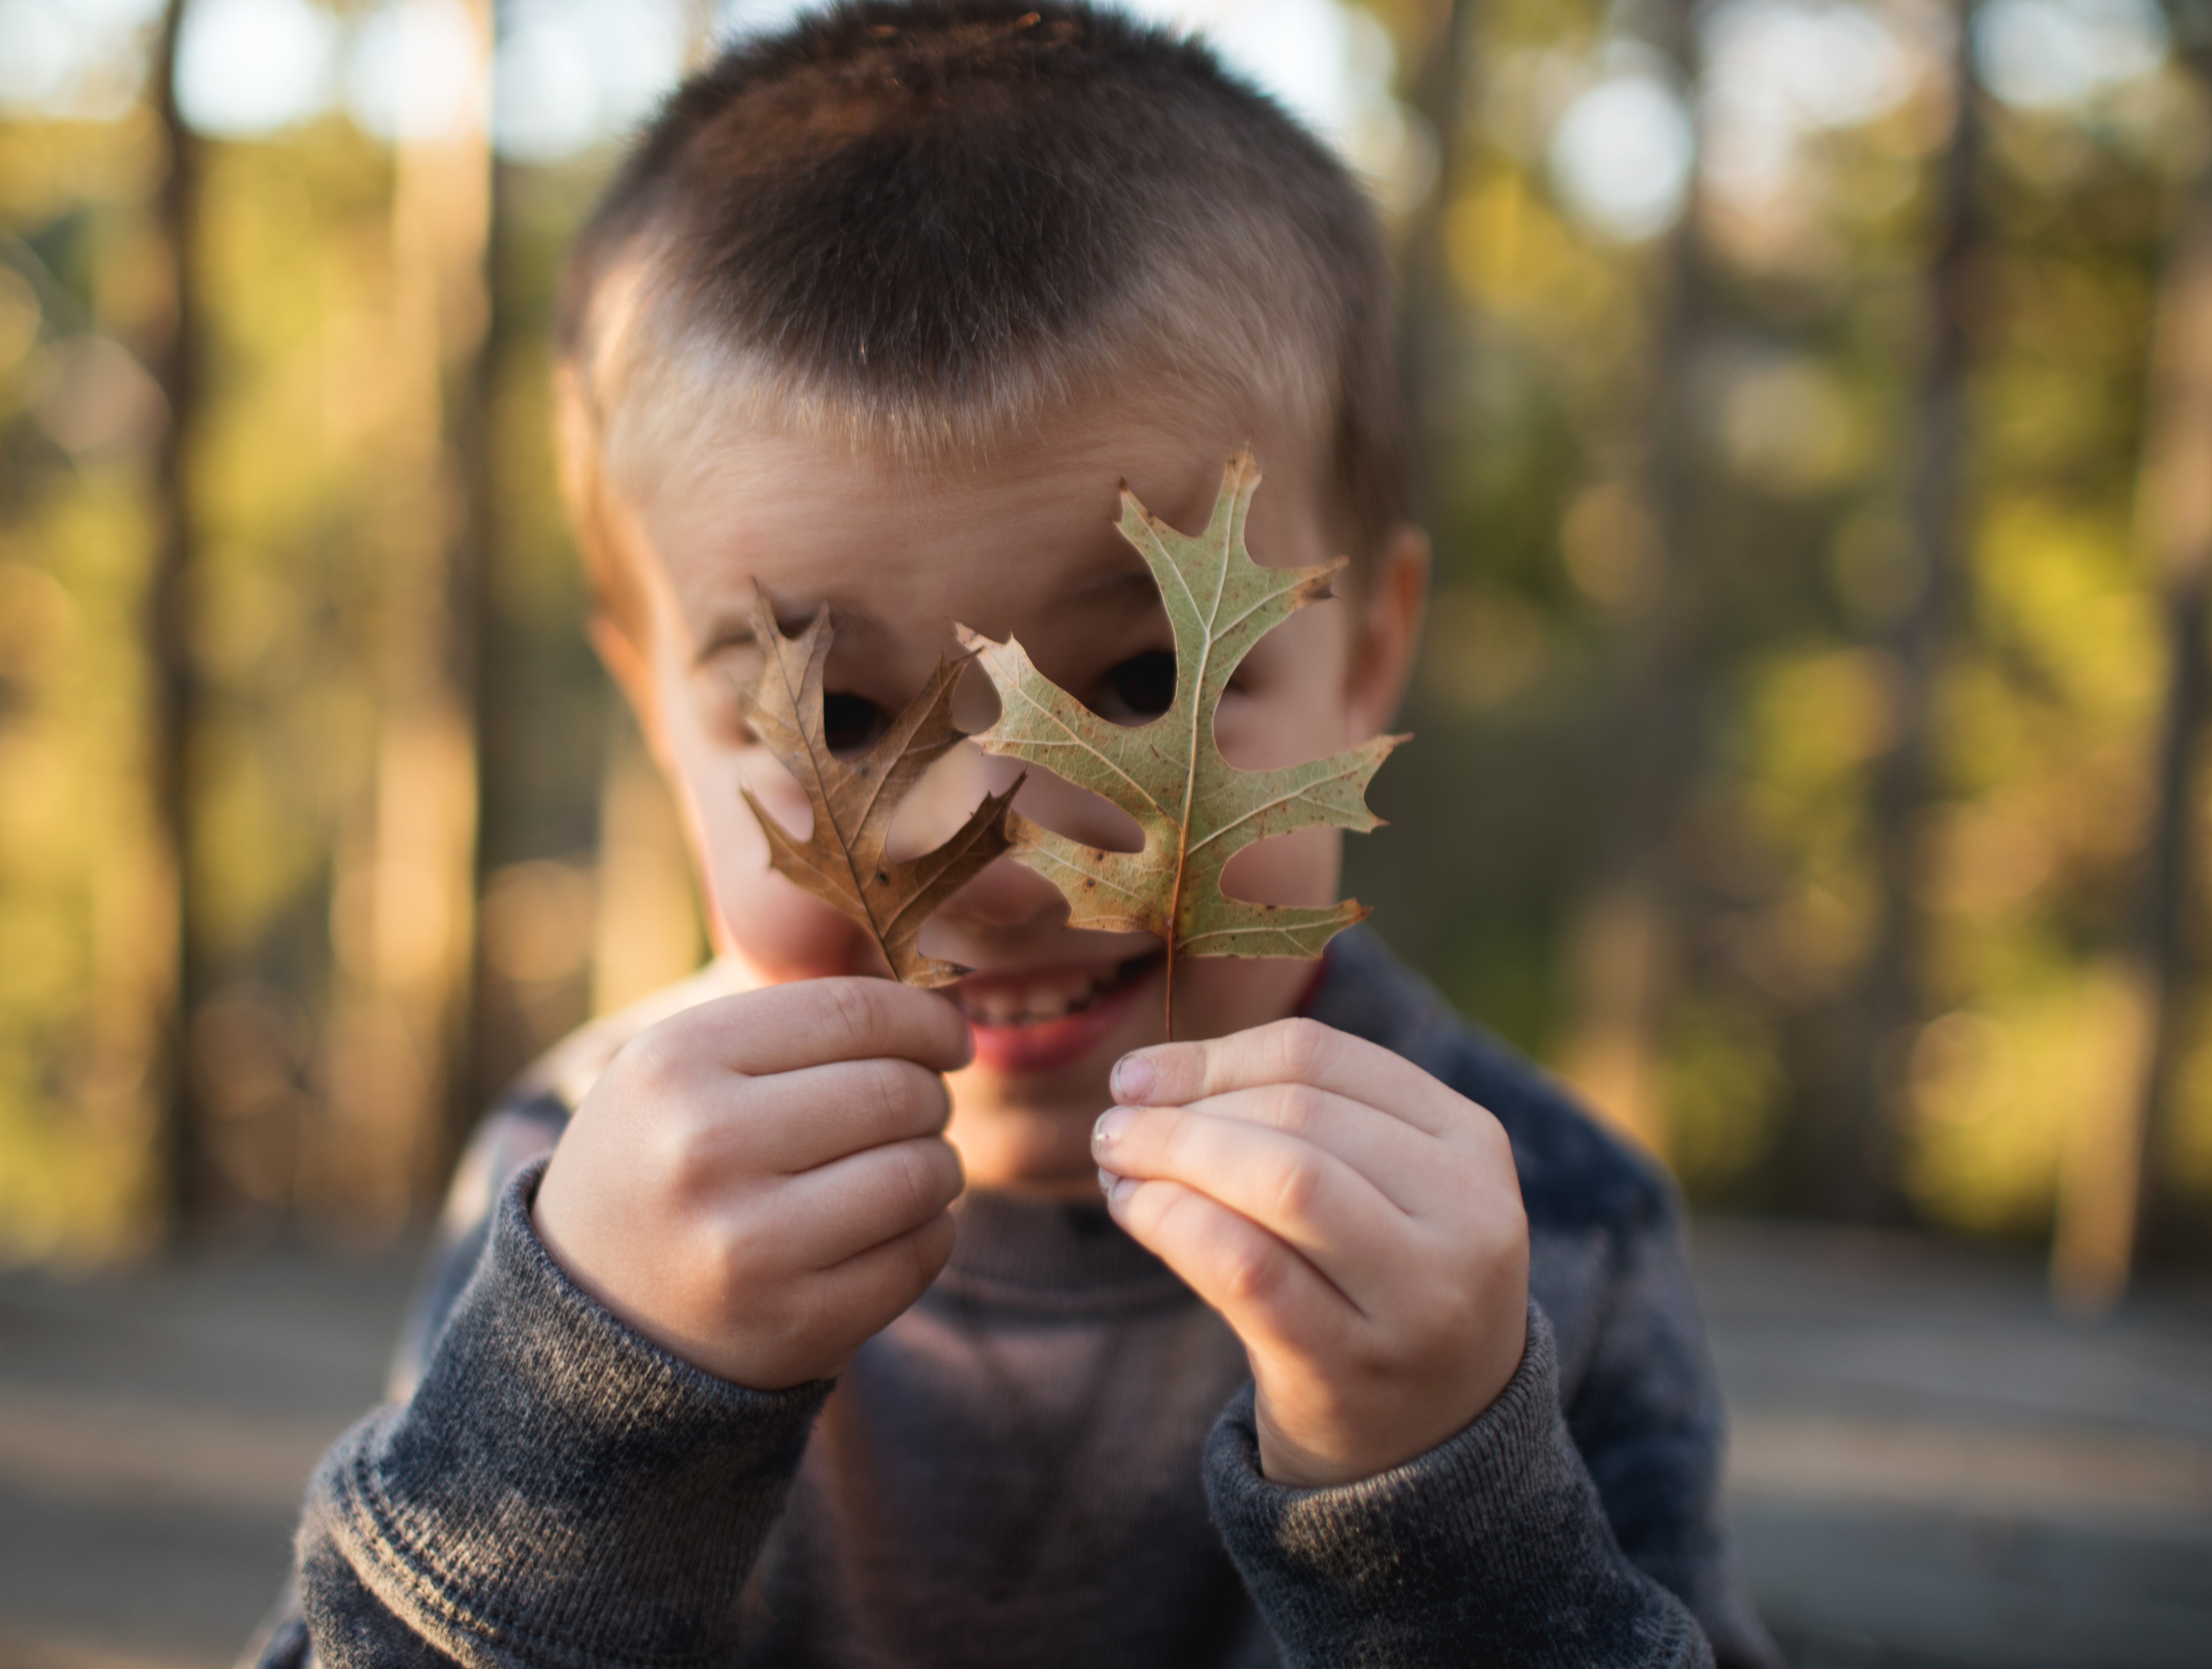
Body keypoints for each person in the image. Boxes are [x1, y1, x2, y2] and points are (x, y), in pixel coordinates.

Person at [254, 4, 1778, 1664]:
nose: (1004, 848)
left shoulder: (1548, 1222)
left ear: (1371, 651)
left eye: (1143, 676)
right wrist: (583, 1415)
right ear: (652, 714)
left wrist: (1442, 1496)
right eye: (835, 718)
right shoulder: (576, 1192)